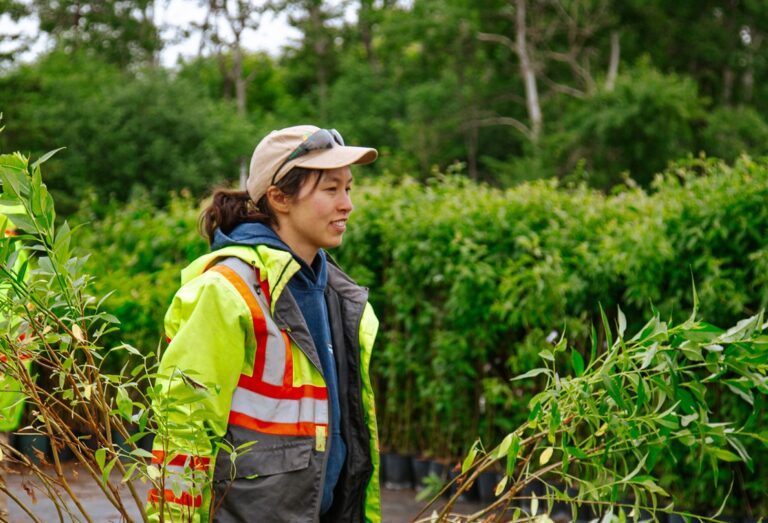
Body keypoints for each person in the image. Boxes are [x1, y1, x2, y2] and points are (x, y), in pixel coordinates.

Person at [147, 125, 381, 523]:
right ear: (279, 198)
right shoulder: (226, 290)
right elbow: (184, 427)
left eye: (349, 188)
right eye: (330, 190)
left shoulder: (339, 296)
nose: (347, 205)